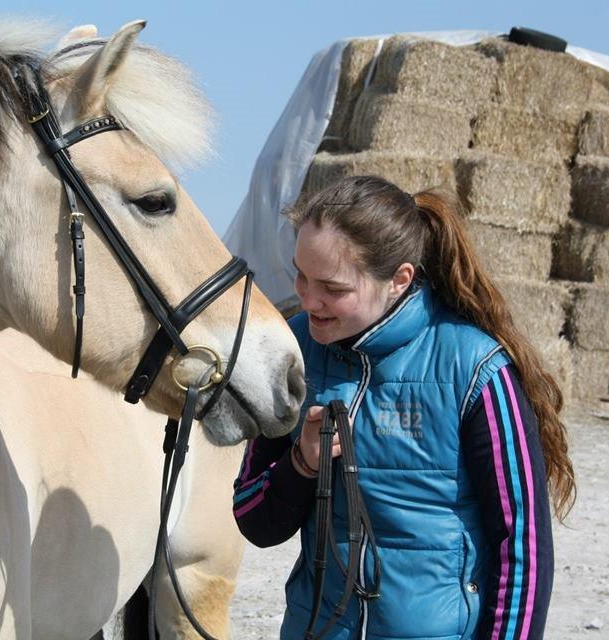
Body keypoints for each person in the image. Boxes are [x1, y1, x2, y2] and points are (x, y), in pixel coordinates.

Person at [232, 175, 575, 640]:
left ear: (399, 281)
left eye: (332, 288)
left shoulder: (475, 370)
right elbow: (254, 520)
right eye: (300, 275)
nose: (308, 300)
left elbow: (523, 546)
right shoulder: (293, 350)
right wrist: (302, 463)